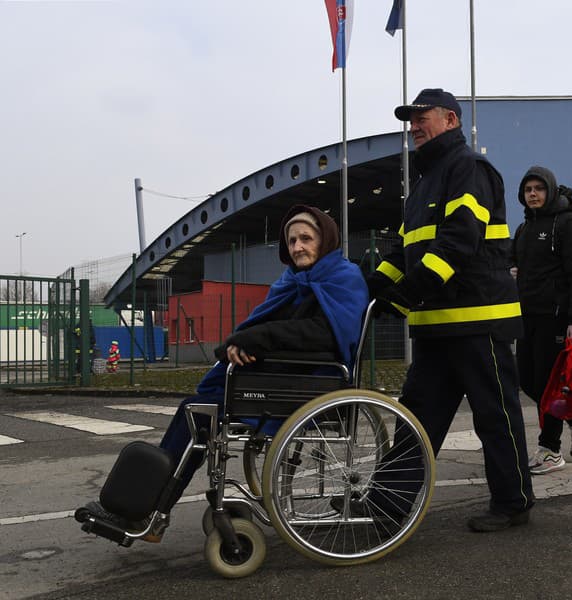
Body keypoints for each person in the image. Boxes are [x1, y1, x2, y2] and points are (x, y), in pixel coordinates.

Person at [82, 204, 369, 540]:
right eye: (291, 241)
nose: (297, 247)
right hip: (280, 376)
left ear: (326, 241)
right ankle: (148, 510)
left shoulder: (343, 278)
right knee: (194, 409)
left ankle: (150, 514)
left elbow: (323, 335)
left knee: (198, 412)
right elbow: (266, 326)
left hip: (313, 381)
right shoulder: (292, 282)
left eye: (306, 239)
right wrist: (236, 344)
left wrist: (256, 339)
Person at [367, 88, 534, 533]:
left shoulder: (469, 169)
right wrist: (373, 285)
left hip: (478, 322)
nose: (415, 126)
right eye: (411, 119)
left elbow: (459, 240)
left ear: (452, 121)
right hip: (435, 328)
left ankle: (513, 502)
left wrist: (406, 293)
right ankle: (388, 503)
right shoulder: (423, 184)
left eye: (424, 117)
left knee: (495, 417)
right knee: (417, 419)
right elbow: (404, 248)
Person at [512, 166, 572, 475]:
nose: (533, 194)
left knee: (549, 384)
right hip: (528, 317)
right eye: (528, 190)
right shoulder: (523, 230)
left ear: (549, 191)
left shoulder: (568, 225)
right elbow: (513, 265)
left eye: (539, 188)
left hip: (557, 319)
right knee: (529, 381)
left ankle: (549, 450)